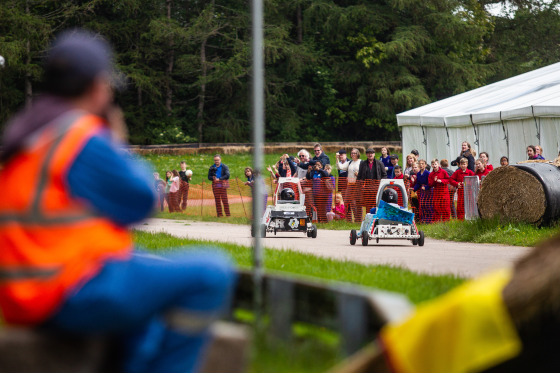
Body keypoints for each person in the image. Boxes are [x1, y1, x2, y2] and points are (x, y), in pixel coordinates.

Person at [0, 30, 235, 373]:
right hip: (65, 292)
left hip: (28, 293)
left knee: (143, 284)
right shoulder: (78, 136)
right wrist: (116, 140)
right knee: (210, 274)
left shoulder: (27, 135)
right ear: (96, 85)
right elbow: (141, 199)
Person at [357, 148, 387, 214]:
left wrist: (382, 184)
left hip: (377, 187)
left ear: (374, 154)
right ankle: (369, 218)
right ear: (366, 154)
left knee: (377, 203)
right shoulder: (363, 163)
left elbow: (384, 175)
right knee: (368, 205)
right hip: (367, 188)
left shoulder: (379, 163)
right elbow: (359, 176)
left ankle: (377, 218)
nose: (370, 154)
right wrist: (359, 185)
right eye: (368, 153)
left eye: (372, 153)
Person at [338, 148, 362, 222]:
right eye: (352, 153)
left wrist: (359, 174)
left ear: (358, 154)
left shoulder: (361, 162)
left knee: (356, 202)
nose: (353, 154)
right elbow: (340, 167)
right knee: (347, 201)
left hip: (357, 184)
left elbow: (364, 173)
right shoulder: (350, 162)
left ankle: (358, 220)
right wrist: (336, 159)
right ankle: (349, 220)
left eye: (354, 153)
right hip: (350, 184)